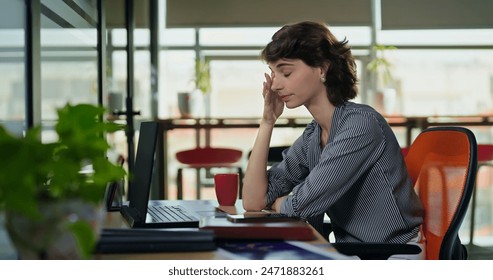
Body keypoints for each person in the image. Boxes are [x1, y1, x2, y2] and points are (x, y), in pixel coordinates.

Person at [242, 21, 425, 259]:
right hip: (354, 252)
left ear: (322, 69)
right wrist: (267, 121)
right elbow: (253, 201)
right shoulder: (313, 135)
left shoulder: (361, 125)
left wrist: (281, 203)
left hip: (394, 254)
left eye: (285, 72)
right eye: (273, 73)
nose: (275, 85)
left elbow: (299, 206)